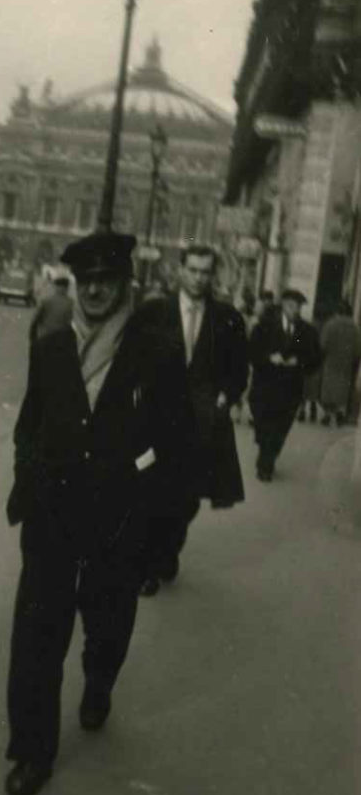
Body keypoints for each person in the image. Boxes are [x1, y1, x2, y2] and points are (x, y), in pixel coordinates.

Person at [3, 232, 197, 795]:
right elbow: (28, 428)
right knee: (37, 636)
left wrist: (157, 529)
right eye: (84, 280)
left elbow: (178, 444)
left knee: (108, 625)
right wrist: (27, 483)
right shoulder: (51, 347)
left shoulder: (155, 352)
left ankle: (99, 678)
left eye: (105, 280)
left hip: (119, 521)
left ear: (124, 284)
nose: (93, 290)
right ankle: (32, 752)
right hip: (53, 518)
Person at [137, 245, 248, 595]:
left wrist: (224, 397)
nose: (199, 278)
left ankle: (169, 549)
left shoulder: (227, 319)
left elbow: (238, 371)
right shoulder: (153, 313)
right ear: (180, 271)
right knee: (151, 494)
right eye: (193, 270)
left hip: (200, 426)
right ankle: (149, 567)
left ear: (212, 275)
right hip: (155, 422)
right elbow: (131, 362)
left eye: (205, 272)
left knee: (186, 500)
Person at [249, 288, 322, 481]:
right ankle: (266, 458)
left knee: (280, 428)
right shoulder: (265, 326)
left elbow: (315, 359)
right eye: (290, 306)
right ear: (283, 306)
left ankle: (267, 461)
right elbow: (251, 351)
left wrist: (298, 362)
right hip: (265, 387)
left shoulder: (306, 331)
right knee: (264, 426)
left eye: (297, 307)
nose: (294, 310)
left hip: (290, 390)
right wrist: (268, 358)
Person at [319, 301, 361, 427]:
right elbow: (358, 349)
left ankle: (327, 413)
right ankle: (339, 411)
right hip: (346, 363)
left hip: (331, 361)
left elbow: (323, 344)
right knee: (343, 387)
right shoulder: (355, 328)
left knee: (329, 387)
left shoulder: (330, 324)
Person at [29, 264, 73, 342]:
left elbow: (35, 319)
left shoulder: (46, 301)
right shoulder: (72, 304)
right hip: (63, 342)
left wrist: (32, 335)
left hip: (45, 338)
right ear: (67, 287)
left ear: (56, 286)